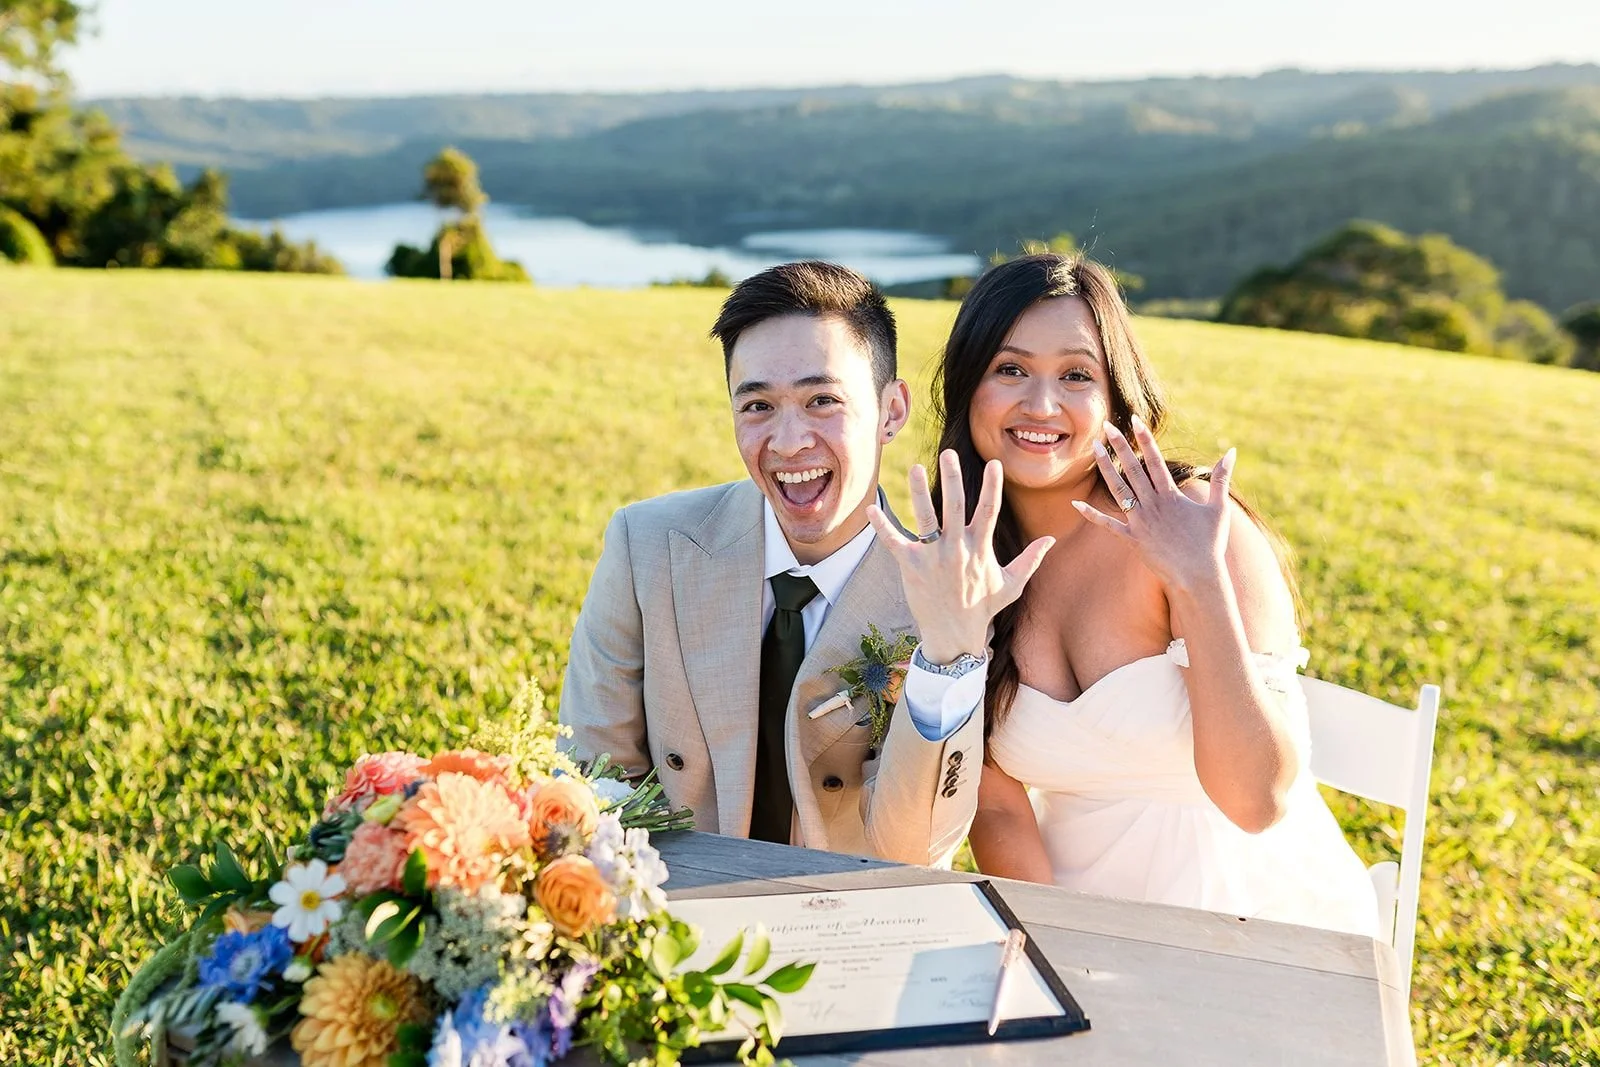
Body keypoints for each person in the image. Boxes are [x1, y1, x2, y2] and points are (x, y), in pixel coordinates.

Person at [865, 253, 1379, 936]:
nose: (1041, 405)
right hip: (1075, 919)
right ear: (968, 386)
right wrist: (1048, 943)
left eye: (1077, 375)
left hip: (1260, 913)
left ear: (1115, 396)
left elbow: (1258, 800)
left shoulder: (1194, 523)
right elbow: (998, 810)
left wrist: (1195, 578)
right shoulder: (959, 556)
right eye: (1010, 369)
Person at [560, 260, 997, 866]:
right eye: (758, 406)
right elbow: (593, 773)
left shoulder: (945, 594)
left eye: (823, 400)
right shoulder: (647, 546)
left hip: (850, 918)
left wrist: (948, 655)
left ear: (891, 411)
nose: (789, 442)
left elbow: (912, 849)